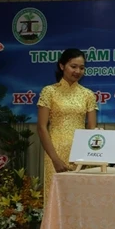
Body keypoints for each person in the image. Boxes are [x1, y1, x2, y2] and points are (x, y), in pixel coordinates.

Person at [37, 48, 97, 203]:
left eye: (82, 68)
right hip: (55, 152)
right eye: (73, 66)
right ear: (62, 66)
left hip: (81, 156)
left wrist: (88, 158)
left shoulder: (88, 94)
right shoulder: (49, 91)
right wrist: (55, 159)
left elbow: (92, 130)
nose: (78, 71)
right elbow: (42, 127)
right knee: (56, 200)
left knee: (80, 200)